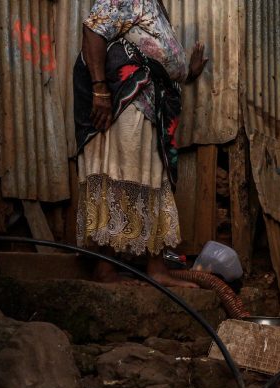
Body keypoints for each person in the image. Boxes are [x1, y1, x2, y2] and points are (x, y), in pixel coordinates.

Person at [73, 0, 208, 287]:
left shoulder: (154, 6)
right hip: (129, 103)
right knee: (124, 175)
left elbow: (159, 57)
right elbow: (94, 30)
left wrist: (188, 71)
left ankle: (156, 267)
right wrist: (99, 91)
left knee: (152, 180)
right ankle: (105, 269)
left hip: (150, 107)